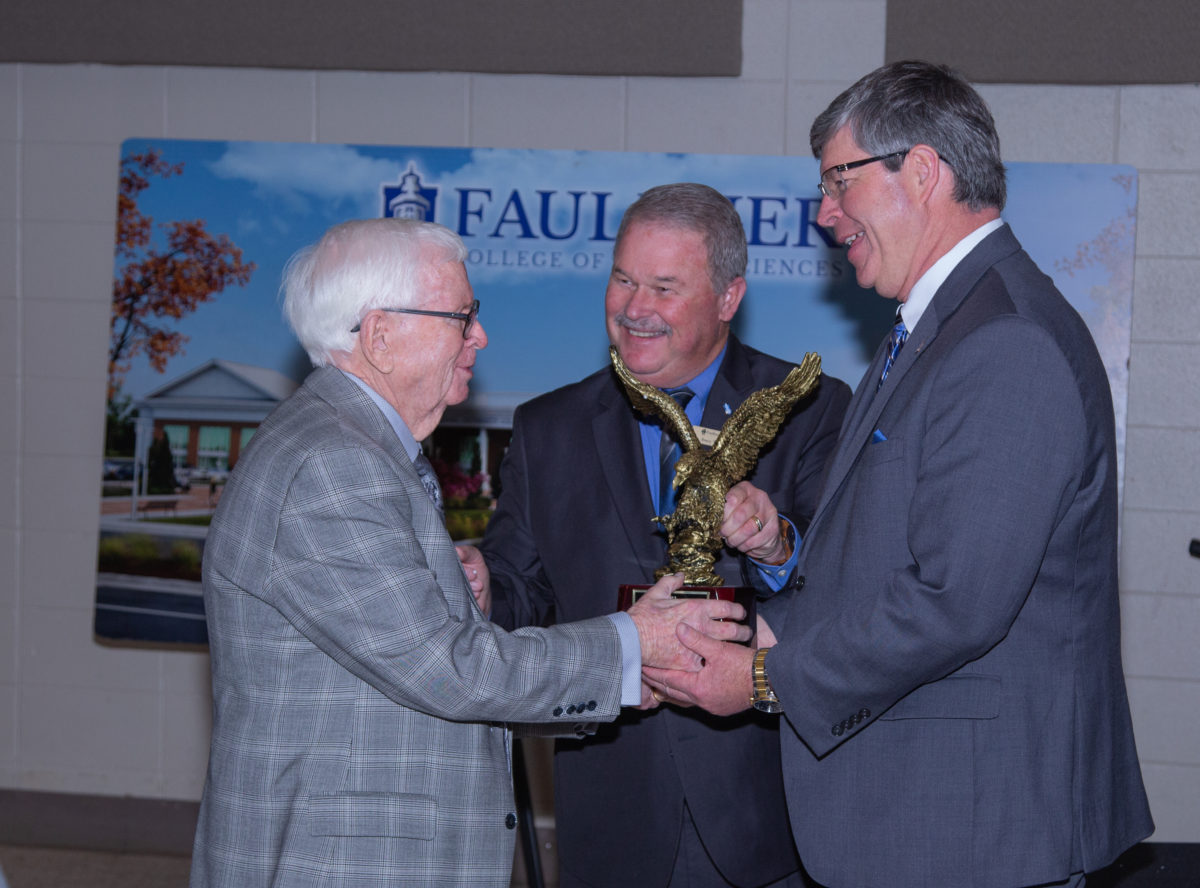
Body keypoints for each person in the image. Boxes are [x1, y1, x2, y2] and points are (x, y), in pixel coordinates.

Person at [644, 61, 1155, 888]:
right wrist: (750, 633)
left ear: (921, 171)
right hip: (932, 826)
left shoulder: (1006, 342)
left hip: (972, 833)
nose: (824, 214)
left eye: (839, 183)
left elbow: (955, 600)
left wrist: (763, 677)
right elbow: (875, 564)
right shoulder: (940, 330)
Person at [188, 218, 753, 888]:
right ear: (381, 336)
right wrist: (633, 643)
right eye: (463, 316)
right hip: (345, 861)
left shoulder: (351, 445)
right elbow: (448, 671)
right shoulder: (334, 464)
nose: (480, 336)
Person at [475, 183, 851, 887]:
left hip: (766, 821)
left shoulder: (810, 411)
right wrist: (481, 587)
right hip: (611, 820)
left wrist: (777, 546)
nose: (635, 309)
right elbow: (520, 590)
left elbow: (845, 590)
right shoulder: (547, 429)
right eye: (623, 279)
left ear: (729, 297)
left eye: (665, 287)